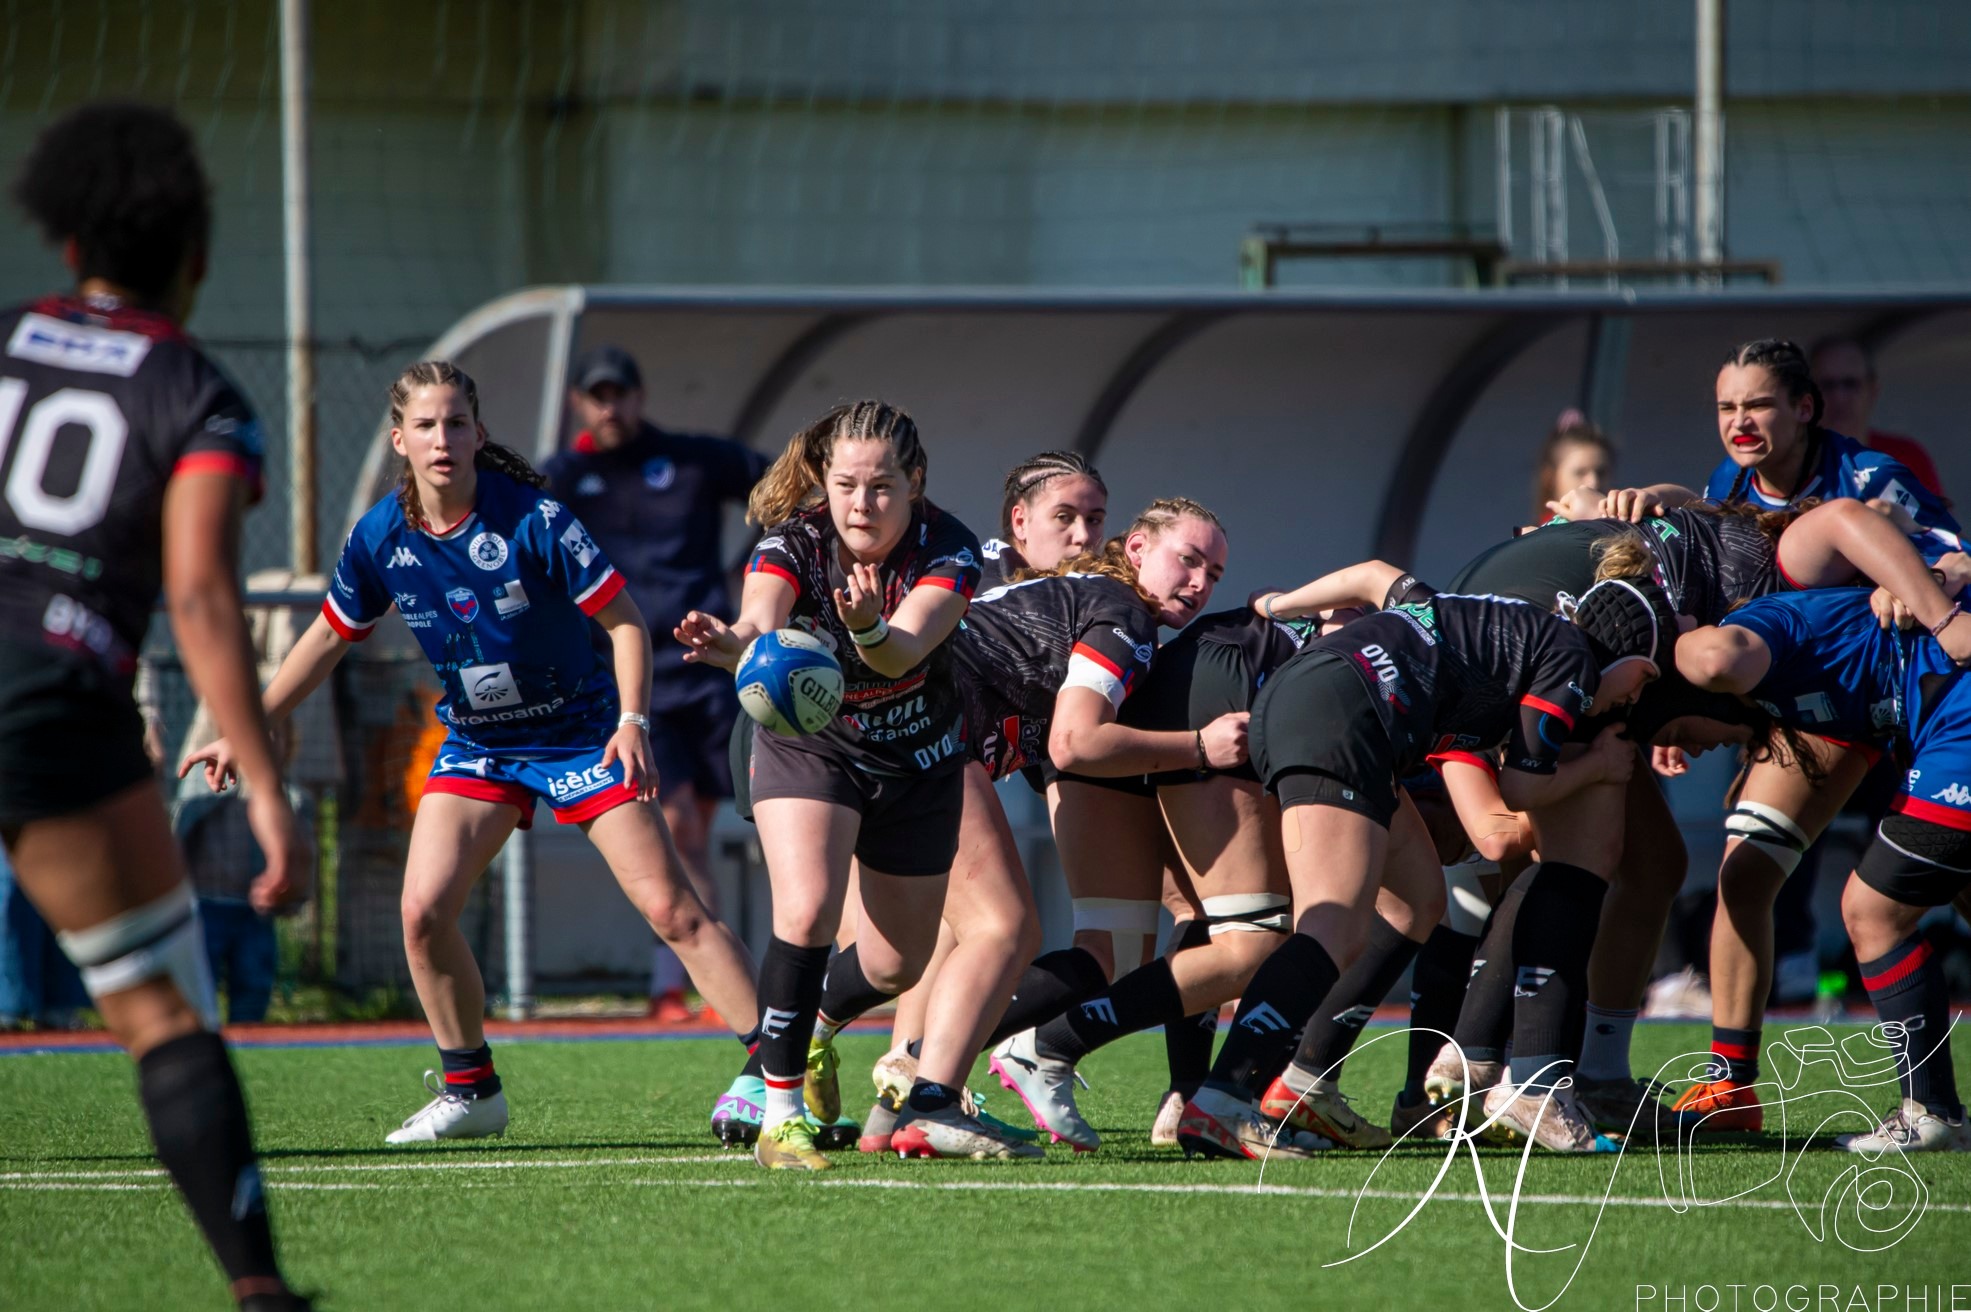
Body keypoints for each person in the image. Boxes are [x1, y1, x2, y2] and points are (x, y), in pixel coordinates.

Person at [183, 361, 761, 1144]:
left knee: (671, 909)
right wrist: (245, 726)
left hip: (579, 734)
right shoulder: (381, 534)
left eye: (456, 422)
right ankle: (471, 1090)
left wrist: (632, 722)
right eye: (425, 425)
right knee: (421, 912)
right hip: (480, 746)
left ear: (479, 434)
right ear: (401, 440)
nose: (442, 438)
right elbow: (326, 636)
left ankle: (776, 1073)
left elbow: (626, 623)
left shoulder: (536, 518)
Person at [0, 101, 311, 1310]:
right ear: (195, 258)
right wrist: (266, 786)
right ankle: (258, 1288)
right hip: (51, 700)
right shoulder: (194, 391)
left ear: (68, 246)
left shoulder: (12, 341)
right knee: (162, 1007)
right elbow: (197, 593)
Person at [1178, 563, 1672, 1157]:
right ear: (1637, 666)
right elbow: (1516, 794)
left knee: (1416, 902)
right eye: (1638, 692)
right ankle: (1222, 1100)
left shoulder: (1493, 626)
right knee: (1331, 930)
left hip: (1319, 694)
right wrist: (1597, 767)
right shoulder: (1574, 660)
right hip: (1344, 713)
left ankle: (1305, 1084)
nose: (1628, 703)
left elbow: (1370, 576)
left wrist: (1278, 604)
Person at [811, 498, 1236, 1158]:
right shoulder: (1122, 613)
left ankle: (815, 1056)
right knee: (1004, 928)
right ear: (1135, 551)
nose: (1198, 584)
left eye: (1212, 574)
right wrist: (1201, 747)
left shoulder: (1075, 596)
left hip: (867, 731)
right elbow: (1074, 741)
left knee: (894, 955)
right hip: (920, 735)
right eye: (1186, 560)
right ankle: (931, 1101)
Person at [675, 400, 982, 1171]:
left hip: (917, 758)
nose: (861, 504)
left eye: (881, 487)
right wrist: (730, 644)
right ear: (823, 480)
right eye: (845, 485)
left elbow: (900, 653)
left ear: (914, 483)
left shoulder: (950, 548)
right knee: (807, 909)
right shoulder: (794, 542)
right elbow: (758, 621)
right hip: (808, 745)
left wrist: (871, 626)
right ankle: (780, 1116)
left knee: (892, 965)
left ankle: (806, 1029)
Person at [1677, 588, 1971, 1151]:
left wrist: (1925, 586)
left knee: (1872, 910)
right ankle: (1730, 1085)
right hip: (1901, 717)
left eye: (1675, 732)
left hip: (1949, 717)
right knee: (1750, 875)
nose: (1687, 753)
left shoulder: (1759, 621)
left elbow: (1852, 519)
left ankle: (1933, 1111)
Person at [543, 345, 769, 1023]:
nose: (610, 407)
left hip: (716, 669)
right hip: (640, 686)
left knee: (769, 820)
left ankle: (762, 977)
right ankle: (682, 984)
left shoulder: (693, 459)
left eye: (620, 393)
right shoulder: (563, 476)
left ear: (640, 397)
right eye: (596, 395)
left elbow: (784, 496)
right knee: (679, 831)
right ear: (578, 403)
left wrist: (753, 578)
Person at [175, 725, 313, 1025]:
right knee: (200, 987)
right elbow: (179, 836)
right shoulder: (208, 790)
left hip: (254, 913)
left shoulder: (292, 799)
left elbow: (303, 857)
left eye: (277, 739)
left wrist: (291, 898)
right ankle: (201, 1038)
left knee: (253, 984)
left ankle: (250, 1043)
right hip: (206, 905)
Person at [1811, 333, 1949, 503]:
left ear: (1872, 390)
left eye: (1850, 384)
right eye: (1827, 385)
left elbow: (1939, 526)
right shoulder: (1794, 463)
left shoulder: (1906, 457)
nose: (1839, 397)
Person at [1528, 410, 1615, 524]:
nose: (1594, 482)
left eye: (1601, 472)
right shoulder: (1540, 537)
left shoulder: (1628, 530)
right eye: (1580, 472)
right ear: (1550, 478)